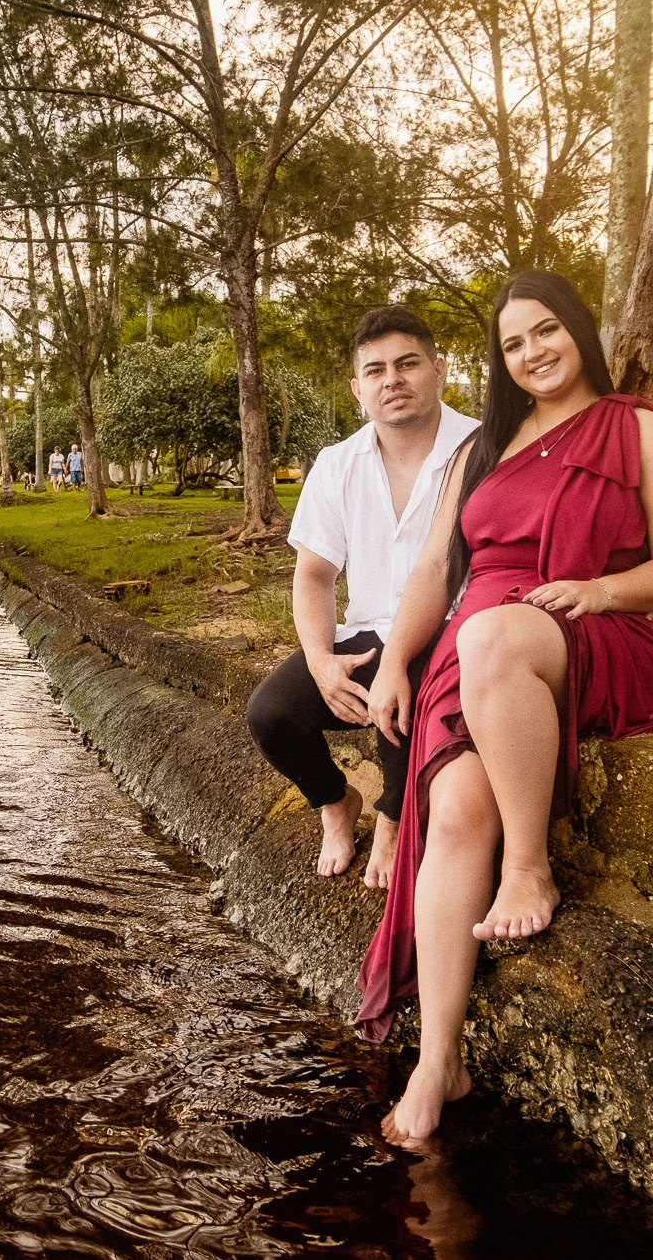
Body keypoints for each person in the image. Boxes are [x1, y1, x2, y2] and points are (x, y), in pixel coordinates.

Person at [357, 271, 653, 1149]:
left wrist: (605, 587)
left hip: (594, 624)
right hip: (483, 641)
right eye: (513, 344)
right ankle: (441, 1058)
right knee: (456, 802)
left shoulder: (641, 427)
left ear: (579, 333)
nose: (532, 352)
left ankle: (530, 867)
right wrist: (397, 659)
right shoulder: (485, 448)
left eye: (546, 331)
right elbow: (437, 573)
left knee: (493, 639)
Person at [245, 307, 477, 888]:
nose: (391, 380)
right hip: (370, 631)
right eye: (375, 371)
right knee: (271, 714)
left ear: (439, 369)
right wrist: (322, 660)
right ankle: (335, 803)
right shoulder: (336, 463)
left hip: (458, 633)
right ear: (358, 389)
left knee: (405, 683)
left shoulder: (482, 446)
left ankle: (395, 819)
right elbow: (315, 576)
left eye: (407, 364)